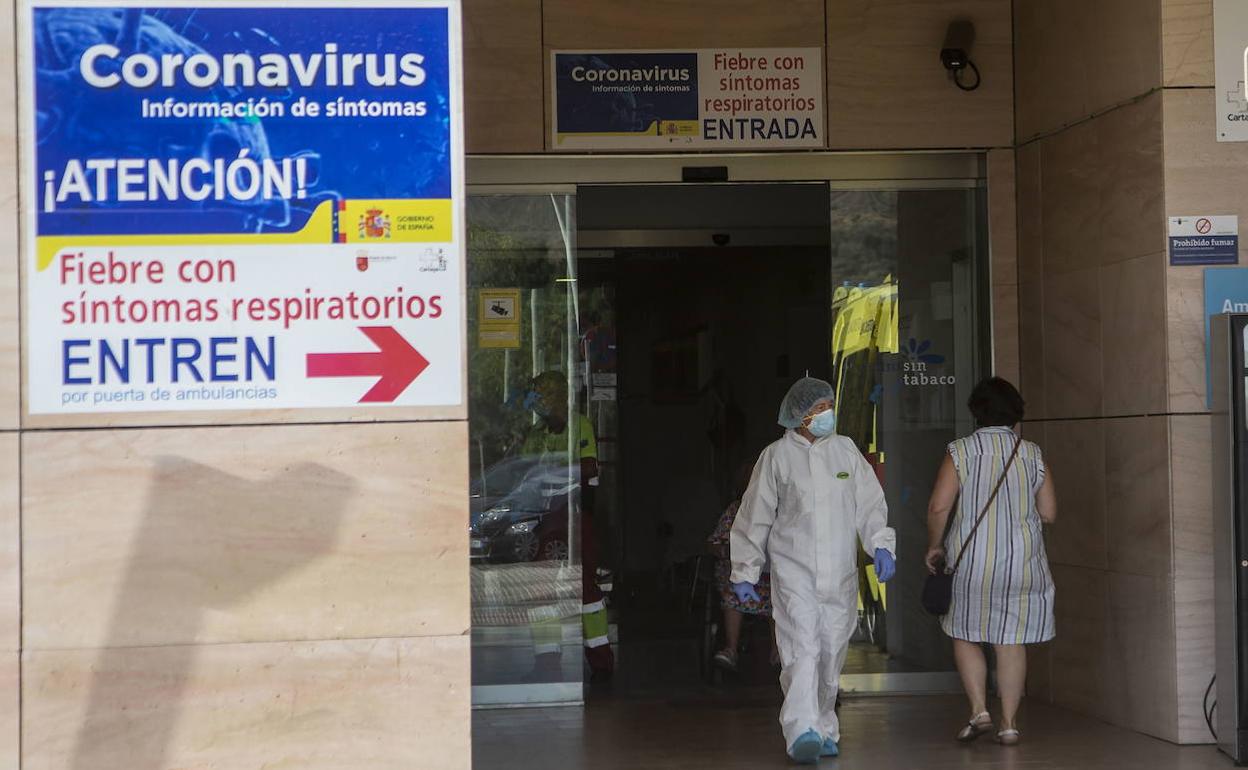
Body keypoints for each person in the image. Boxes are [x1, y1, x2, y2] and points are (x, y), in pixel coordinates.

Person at [730, 377, 896, 763]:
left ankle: (824, 726)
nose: (827, 414)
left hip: (839, 573)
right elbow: (754, 516)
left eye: (828, 406)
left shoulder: (845, 451)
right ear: (799, 416)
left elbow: (870, 504)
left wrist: (881, 545)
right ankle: (801, 729)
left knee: (831, 653)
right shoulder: (775, 457)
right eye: (819, 409)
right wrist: (744, 571)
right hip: (794, 573)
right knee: (801, 650)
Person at [924, 377, 1056, 746]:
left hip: (972, 564)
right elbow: (1049, 512)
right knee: (1011, 641)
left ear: (975, 412)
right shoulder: (1030, 453)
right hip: (1022, 564)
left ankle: (980, 710)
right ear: (1016, 413)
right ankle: (1010, 723)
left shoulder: (961, 451)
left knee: (965, 633)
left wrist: (934, 545)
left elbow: (939, 506)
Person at [521, 371, 615, 681]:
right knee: (540, 590)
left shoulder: (579, 424)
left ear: (559, 397)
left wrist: (552, 467)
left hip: (575, 514)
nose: (539, 405)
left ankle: (601, 663)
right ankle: (547, 660)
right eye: (535, 399)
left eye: (543, 397)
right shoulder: (535, 434)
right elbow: (524, 473)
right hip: (542, 517)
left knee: (585, 587)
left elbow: (588, 466)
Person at [707, 463, 777, 672]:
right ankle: (731, 649)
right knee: (732, 590)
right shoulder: (736, 510)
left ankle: (778, 652)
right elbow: (713, 543)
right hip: (739, 573)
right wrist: (726, 552)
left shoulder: (781, 511)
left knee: (782, 593)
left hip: (770, 574)